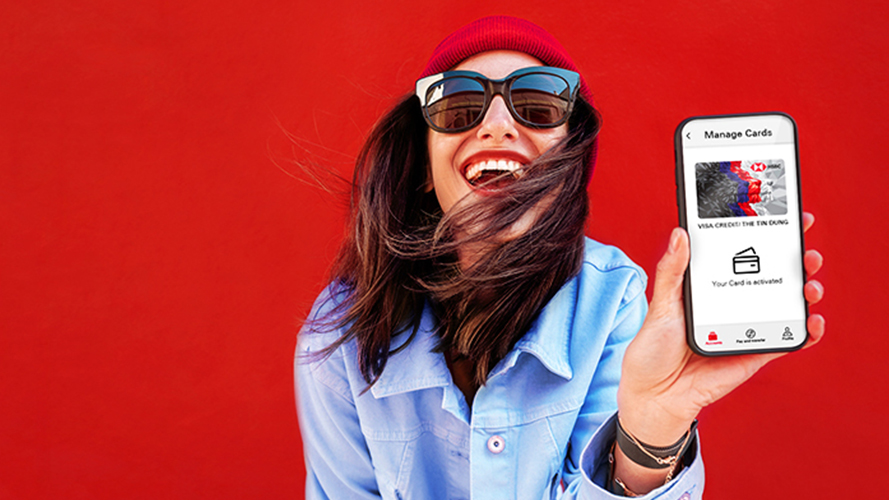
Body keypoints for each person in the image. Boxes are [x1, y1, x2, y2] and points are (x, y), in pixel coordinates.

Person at [294, 16, 825, 499]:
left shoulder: (615, 304)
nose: (497, 124)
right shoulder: (337, 337)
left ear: (568, 167)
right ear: (423, 167)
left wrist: (651, 428)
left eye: (538, 104)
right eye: (457, 104)